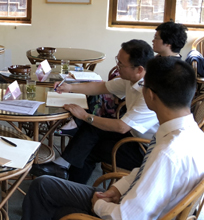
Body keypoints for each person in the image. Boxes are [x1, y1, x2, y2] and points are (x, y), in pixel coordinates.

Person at [11, 57, 204, 220]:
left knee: (47, 209)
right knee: (43, 187)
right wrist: (117, 188)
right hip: (133, 214)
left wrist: (98, 205)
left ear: (150, 94)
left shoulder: (168, 153)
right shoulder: (194, 136)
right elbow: (143, 173)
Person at [32, 40, 159, 184]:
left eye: (121, 64)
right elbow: (101, 87)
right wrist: (69, 87)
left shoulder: (149, 92)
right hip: (134, 134)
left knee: (89, 149)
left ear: (139, 70)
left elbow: (122, 127)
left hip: (145, 149)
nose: (117, 67)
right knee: (92, 128)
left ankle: (70, 186)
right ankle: (61, 166)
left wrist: (85, 115)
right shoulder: (131, 80)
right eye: (117, 61)